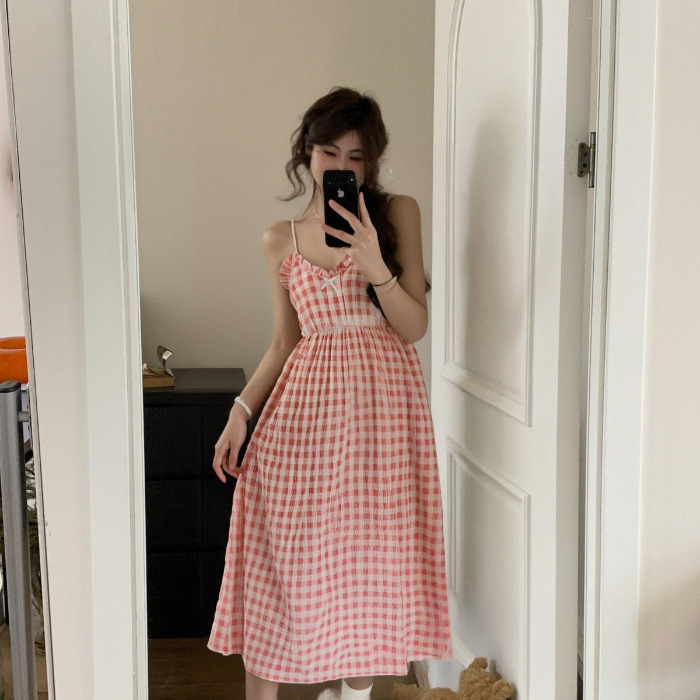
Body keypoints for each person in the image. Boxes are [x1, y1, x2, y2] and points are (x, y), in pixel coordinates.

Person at [208, 87, 451, 700]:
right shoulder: (281, 239)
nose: (342, 165)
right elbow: (283, 341)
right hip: (303, 416)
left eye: (357, 156)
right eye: (329, 152)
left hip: (378, 418)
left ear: (372, 162)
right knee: (274, 554)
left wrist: (376, 265)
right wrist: (240, 412)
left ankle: (353, 693)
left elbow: (414, 328)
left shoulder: (398, 215)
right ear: (307, 153)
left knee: (365, 564)